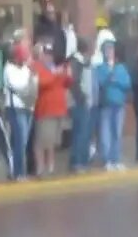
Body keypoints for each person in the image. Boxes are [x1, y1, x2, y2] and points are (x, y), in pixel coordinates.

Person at [32, 42, 70, 176]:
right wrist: (55, 74)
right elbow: (41, 83)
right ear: (40, 55)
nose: (49, 57)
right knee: (42, 141)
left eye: (50, 54)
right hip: (45, 109)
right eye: (46, 54)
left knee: (52, 142)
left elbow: (66, 83)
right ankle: (40, 168)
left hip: (58, 109)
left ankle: (51, 167)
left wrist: (66, 74)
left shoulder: (55, 68)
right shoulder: (36, 66)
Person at [93, 38, 131, 171]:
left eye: (111, 49)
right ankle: (107, 160)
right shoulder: (100, 68)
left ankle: (116, 159)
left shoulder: (121, 67)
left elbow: (127, 84)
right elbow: (101, 83)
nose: (109, 52)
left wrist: (115, 81)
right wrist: (111, 78)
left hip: (119, 105)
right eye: (106, 49)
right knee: (106, 134)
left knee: (117, 133)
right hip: (106, 105)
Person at [2, 40, 36, 180]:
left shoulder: (25, 69)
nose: (24, 60)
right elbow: (19, 86)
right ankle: (18, 173)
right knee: (20, 141)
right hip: (15, 108)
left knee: (24, 141)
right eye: (22, 57)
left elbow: (33, 85)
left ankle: (18, 171)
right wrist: (30, 77)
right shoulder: (9, 69)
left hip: (27, 107)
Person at [68, 37, 95, 173]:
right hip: (79, 103)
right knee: (81, 132)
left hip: (82, 102)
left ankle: (79, 161)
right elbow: (74, 83)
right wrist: (83, 98)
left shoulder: (80, 62)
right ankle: (78, 162)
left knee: (81, 132)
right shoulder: (76, 62)